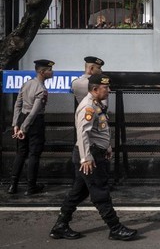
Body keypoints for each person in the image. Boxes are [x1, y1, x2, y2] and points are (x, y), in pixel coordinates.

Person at [49, 74, 137, 241]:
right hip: (90, 156)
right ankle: (115, 228)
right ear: (95, 89)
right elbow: (83, 134)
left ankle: (60, 226)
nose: (109, 90)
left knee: (79, 192)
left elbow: (99, 130)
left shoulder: (96, 104)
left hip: (95, 152)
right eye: (106, 88)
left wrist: (107, 146)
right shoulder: (88, 107)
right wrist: (86, 158)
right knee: (100, 192)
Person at [7, 59, 54, 195]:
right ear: (42, 72)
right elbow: (34, 113)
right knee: (34, 154)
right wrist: (23, 128)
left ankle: (13, 185)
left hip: (22, 118)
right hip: (34, 123)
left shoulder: (26, 84)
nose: (52, 72)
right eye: (49, 70)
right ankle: (31, 186)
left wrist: (16, 124)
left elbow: (18, 104)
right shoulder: (41, 89)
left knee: (21, 153)